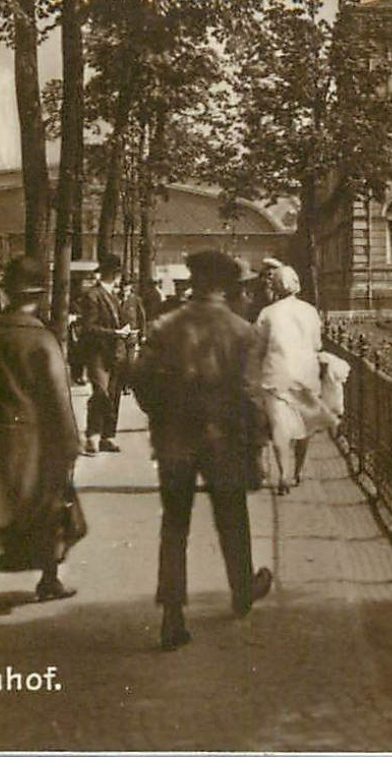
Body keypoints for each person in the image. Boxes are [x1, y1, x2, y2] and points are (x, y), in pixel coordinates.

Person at [131, 249, 274, 649]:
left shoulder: (164, 325)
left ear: (194, 282)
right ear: (228, 287)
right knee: (232, 517)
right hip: (223, 440)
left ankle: (172, 615)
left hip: (174, 441)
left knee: (174, 525)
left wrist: (162, 415)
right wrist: (257, 442)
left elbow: (140, 380)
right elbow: (250, 395)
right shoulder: (242, 332)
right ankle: (243, 591)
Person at [0, 256, 84, 624]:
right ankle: (49, 578)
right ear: (40, 296)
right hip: (33, 442)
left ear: (7, 290)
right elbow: (57, 397)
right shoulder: (41, 340)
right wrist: (70, 441)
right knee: (49, 506)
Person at [248, 264, 335, 493]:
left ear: (275, 286)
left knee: (279, 426)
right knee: (304, 424)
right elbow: (317, 344)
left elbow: (258, 346)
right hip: (305, 373)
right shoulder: (310, 311)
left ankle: (283, 474)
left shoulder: (267, 313)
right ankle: (298, 471)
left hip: (276, 374)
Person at [75, 253, 134, 455]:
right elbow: (88, 328)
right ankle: (92, 436)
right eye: (117, 273)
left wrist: (126, 334)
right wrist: (115, 333)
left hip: (116, 352)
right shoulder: (93, 295)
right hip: (98, 354)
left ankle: (107, 437)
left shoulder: (115, 296)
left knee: (114, 394)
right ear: (113, 274)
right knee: (101, 393)